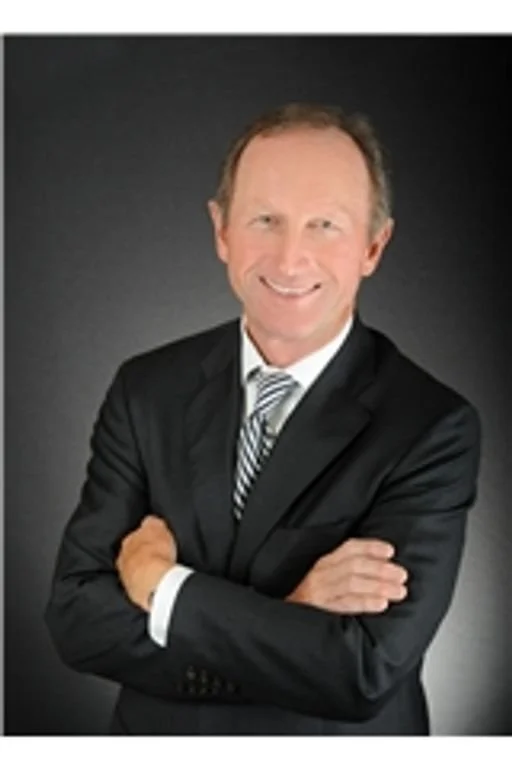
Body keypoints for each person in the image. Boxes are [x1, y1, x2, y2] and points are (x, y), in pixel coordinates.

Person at [45, 102, 481, 735]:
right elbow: (78, 621)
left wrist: (161, 586)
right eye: (265, 219)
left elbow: (358, 671)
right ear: (222, 231)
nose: (289, 256)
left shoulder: (433, 427)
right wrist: (291, 608)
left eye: (325, 224)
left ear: (373, 245)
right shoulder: (146, 388)